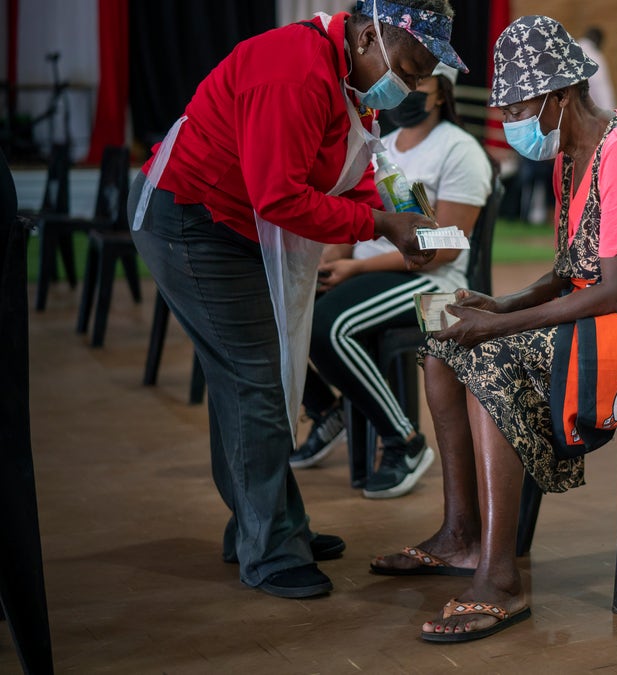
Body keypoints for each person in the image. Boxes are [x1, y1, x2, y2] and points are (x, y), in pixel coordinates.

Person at [367, 15, 617, 642]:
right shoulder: (573, 153)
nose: (509, 118)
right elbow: (573, 270)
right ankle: (461, 535)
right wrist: (500, 306)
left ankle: (500, 577)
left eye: (518, 103)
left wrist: (499, 329)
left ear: (560, 95)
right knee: (441, 343)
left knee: (491, 358)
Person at [128, 0, 466, 599]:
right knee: (253, 379)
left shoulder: (350, 80)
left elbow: (350, 176)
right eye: (410, 70)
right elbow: (278, 197)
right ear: (368, 38)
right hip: (191, 220)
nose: (412, 87)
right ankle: (270, 551)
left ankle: (267, 528)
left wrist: (393, 216)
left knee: (252, 377)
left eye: (421, 79)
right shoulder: (293, 70)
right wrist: (383, 227)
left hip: (233, 225)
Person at [292, 61, 493, 501]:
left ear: (443, 93)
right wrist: (332, 259)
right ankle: (325, 412)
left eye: (422, 83)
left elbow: (450, 244)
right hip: (370, 272)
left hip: (438, 287)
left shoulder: (459, 150)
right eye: (406, 82)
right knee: (283, 305)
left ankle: (404, 442)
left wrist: (358, 267)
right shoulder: (378, 146)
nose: (410, 91)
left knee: (330, 326)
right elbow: (355, 221)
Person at [578, 26, 616, 111]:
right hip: (591, 114)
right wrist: (611, 116)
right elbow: (602, 90)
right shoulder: (595, 56)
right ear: (597, 40)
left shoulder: (571, 51)